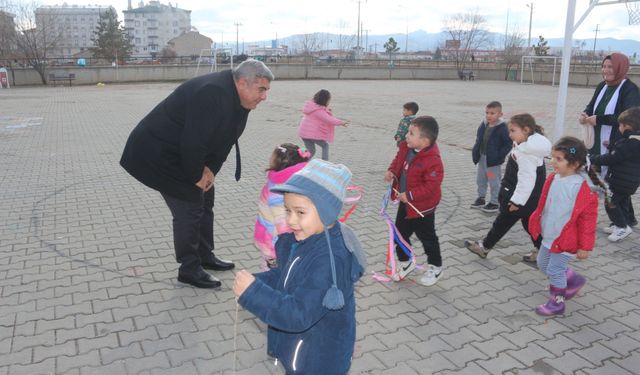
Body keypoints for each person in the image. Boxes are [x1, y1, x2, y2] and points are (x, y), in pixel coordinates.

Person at [120, 59, 274, 289]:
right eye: (261, 89)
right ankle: (189, 268)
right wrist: (196, 177)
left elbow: (226, 140)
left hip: (184, 152)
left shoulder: (240, 100)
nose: (264, 96)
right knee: (189, 206)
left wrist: (211, 171)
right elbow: (193, 142)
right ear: (242, 83)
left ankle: (205, 255)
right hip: (157, 153)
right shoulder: (212, 93)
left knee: (206, 198)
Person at [233, 159, 366, 375]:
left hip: (318, 361)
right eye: (288, 210)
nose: (291, 220)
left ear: (325, 212)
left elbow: (298, 315)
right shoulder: (302, 240)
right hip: (305, 348)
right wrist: (258, 282)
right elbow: (288, 277)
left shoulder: (328, 261)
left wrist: (253, 294)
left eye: (300, 212)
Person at [528, 137, 603, 316]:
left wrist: (585, 246)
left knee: (555, 269)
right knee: (542, 263)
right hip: (550, 233)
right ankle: (572, 280)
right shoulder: (554, 177)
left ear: (575, 163)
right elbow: (545, 203)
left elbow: (588, 219)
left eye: (558, 159)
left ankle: (557, 302)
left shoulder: (581, 187)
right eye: (552, 157)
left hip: (566, 238)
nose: (552, 162)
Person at [465, 113, 551, 261]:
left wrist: (516, 201)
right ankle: (544, 253)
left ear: (526, 130)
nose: (509, 135)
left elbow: (527, 181)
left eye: (512, 131)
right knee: (530, 225)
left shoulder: (527, 153)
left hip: (520, 199)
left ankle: (484, 247)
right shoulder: (528, 145)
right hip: (528, 198)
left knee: (502, 223)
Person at [579, 52, 640, 229]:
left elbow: (630, 118)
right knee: (616, 183)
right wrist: (585, 114)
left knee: (612, 181)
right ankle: (627, 219)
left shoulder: (630, 89)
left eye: (610, 67)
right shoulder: (602, 86)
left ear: (621, 68)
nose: (606, 70)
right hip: (598, 139)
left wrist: (599, 119)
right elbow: (592, 106)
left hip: (617, 143)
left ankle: (596, 217)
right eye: (604, 66)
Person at [383, 116, 445, 286]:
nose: (406, 136)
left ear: (424, 141)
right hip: (406, 204)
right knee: (398, 235)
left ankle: (436, 267)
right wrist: (391, 172)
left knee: (428, 238)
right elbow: (398, 161)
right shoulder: (406, 147)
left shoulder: (433, 161)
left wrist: (410, 195)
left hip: (422, 208)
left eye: (411, 133)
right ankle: (406, 263)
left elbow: (431, 187)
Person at [254, 143, 310, 270]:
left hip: (271, 240)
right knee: (276, 278)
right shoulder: (280, 193)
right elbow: (284, 226)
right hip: (277, 247)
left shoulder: (279, 184)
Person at [590, 106, 640, 242]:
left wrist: (592, 158)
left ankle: (621, 226)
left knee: (610, 202)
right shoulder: (634, 141)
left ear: (628, 126)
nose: (619, 128)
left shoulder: (629, 143)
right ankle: (620, 224)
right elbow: (624, 152)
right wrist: (611, 145)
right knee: (622, 202)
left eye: (621, 125)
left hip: (620, 181)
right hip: (630, 182)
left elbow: (612, 158)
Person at [470, 101, 511, 213]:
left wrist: (499, 156)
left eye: (492, 113)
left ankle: (494, 202)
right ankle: (481, 198)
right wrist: (476, 151)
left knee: (493, 181)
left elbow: (508, 144)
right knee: (481, 179)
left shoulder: (502, 128)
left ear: (500, 114)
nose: (489, 115)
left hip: (492, 162)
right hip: (482, 158)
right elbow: (478, 139)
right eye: (487, 113)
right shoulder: (484, 124)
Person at [297, 89, 349, 160]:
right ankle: (325, 163)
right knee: (325, 146)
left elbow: (324, 115)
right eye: (329, 100)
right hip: (311, 134)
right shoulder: (318, 111)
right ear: (325, 100)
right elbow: (329, 119)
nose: (329, 102)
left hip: (304, 133)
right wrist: (341, 122)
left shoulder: (312, 106)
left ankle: (302, 163)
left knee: (311, 150)